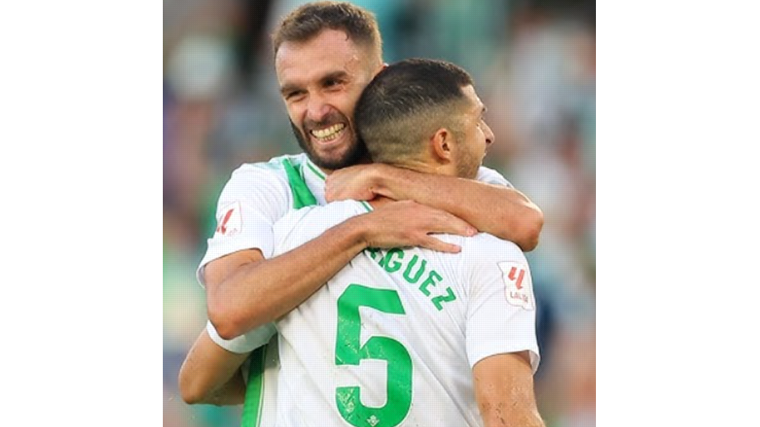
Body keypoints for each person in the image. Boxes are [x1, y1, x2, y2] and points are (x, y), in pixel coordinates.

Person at [179, 1, 544, 425]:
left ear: (379, 79)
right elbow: (227, 311)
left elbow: (524, 220)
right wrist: (366, 229)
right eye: (295, 93)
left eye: (332, 84)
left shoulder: (296, 232)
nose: (315, 111)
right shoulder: (269, 188)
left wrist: (384, 180)